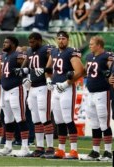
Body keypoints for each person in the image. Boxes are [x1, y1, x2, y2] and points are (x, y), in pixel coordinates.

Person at [45, 31, 84, 159]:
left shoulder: (71, 52)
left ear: (67, 40)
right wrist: (48, 80)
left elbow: (80, 71)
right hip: (56, 88)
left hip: (66, 88)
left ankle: (73, 151)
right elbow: (48, 69)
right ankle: (61, 150)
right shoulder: (54, 52)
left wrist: (67, 83)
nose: (61, 41)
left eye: (63, 39)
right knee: (59, 120)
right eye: (59, 38)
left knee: (68, 119)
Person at [81, 36, 114, 161]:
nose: (90, 46)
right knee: (94, 124)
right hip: (90, 93)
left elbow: (113, 67)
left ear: (99, 45)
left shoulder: (107, 56)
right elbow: (85, 71)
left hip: (102, 92)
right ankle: (95, 151)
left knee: (104, 123)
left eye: (92, 44)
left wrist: (109, 72)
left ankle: (108, 152)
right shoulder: (89, 57)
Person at [25, 32, 55, 158]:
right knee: (36, 119)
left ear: (39, 40)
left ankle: (50, 147)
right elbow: (26, 65)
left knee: (45, 117)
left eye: (33, 42)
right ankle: (39, 147)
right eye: (29, 42)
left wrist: (47, 70)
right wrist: (25, 76)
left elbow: (53, 58)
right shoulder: (29, 51)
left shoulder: (46, 49)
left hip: (43, 86)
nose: (31, 44)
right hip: (32, 87)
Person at [0, 36, 30, 157]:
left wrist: (26, 74)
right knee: (7, 120)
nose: (4, 44)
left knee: (20, 118)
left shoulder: (17, 55)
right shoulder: (5, 56)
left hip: (16, 89)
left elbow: (29, 62)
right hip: (5, 91)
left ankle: (25, 146)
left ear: (13, 44)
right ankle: (8, 145)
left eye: (6, 42)